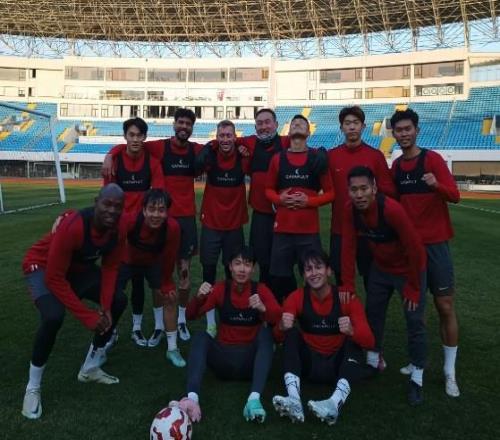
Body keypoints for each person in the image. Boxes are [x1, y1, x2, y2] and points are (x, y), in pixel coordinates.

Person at [21, 184, 127, 420]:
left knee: (118, 299)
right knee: (53, 316)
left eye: (118, 206)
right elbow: (54, 278)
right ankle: (32, 387)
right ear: (96, 202)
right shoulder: (74, 226)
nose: (112, 210)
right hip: (43, 265)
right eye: (107, 204)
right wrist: (88, 316)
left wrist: (105, 307)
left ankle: (90, 367)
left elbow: (110, 267)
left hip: (75, 269)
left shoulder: (119, 229)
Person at [102, 108, 203, 342]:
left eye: (188, 123)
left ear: (192, 127)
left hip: (184, 218)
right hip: (157, 221)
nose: (183, 126)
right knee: (156, 275)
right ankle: (156, 325)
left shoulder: (196, 149)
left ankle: (181, 321)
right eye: (180, 122)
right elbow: (129, 146)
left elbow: (217, 147)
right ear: (174, 124)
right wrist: (110, 154)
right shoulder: (158, 148)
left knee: (183, 272)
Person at [341, 166, 427, 405]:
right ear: (348, 191)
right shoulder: (350, 210)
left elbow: (416, 250)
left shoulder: (391, 210)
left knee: (415, 320)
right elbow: (348, 246)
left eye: (364, 188)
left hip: (408, 270)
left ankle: (417, 377)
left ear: (374, 188)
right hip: (381, 268)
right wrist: (347, 284)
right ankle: (373, 362)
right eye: (354, 190)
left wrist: (414, 286)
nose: (359, 194)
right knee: (373, 314)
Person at [390, 109, 460, 397]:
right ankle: (416, 360)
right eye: (399, 130)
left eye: (408, 129)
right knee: (414, 310)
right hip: (410, 249)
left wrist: (437, 185)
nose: (404, 134)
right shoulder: (396, 166)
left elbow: (455, 195)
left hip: (436, 245)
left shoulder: (432, 160)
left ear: (416, 130)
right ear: (394, 134)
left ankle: (449, 371)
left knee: (444, 306)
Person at [169, 246, 281, 423]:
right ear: (230, 266)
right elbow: (190, 315)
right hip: (223, 361)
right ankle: (192, 399)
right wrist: (199, 298)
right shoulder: (221, 289)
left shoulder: (260, 290)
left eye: (247, 264)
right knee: (200, 337)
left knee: (266, 334)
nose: (242, 269)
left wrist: (263, 308)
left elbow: (279, 319)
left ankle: (254, 399)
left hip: (250, 364)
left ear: (253, 268)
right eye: (237, 263)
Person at [272, 248, 374, 425]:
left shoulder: (345, 298)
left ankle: (334, 404)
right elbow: (277, 337)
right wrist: (281, 326)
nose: (314, 273)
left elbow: (370, 342)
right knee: (292, 334)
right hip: (310, 365)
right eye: (308, 269)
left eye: (318, 267)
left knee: (353, 341)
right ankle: (294, 399)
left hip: (338, 367)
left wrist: (352, 331)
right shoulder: (296, 297)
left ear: (329, 271)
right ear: (304, 276)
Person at [104, 117, 165, 348]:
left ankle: (139, 328)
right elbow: (107, 196)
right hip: (119, 232)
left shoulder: (153, 163)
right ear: (125, 136)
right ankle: (110, 330)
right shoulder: (115, 161)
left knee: (143, 283)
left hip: (143, 231)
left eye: (140, 135)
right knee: (115, 285)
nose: (136, 139)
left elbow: (158, 195)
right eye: (131, 135)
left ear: (145, 137)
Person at [265, 114, 334, 303]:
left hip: (308, 232)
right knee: (280, 278)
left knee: (314, 277)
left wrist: (309, 202)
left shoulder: (317, 158)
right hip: (283, 231)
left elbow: (331, 193)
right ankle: (287, 313)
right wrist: (280, 199)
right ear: (288, 132)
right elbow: (268, 190)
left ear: (309, 132)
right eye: (293, 123)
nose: (297, 124)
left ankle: (312, 313)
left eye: (302, 123)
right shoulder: (277, 159)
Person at [328, 106, 396, 289]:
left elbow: (388, 190)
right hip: (340, 230)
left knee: (372, 280)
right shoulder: (331, 156)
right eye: (347, 123)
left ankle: (371, 309)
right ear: (341, 127)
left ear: (363, 126)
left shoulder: (375, 156)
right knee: (342, 281)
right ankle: (345, 308)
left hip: (369, 231)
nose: (352, 127)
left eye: (356, 123)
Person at [117, 189, 185, 367]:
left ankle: (172, 348)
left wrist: (167, 283)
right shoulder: (130, 220)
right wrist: (67, 215)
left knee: (170, 297)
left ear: (167, 212)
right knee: (112, 295)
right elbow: (102, 222)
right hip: (128, 261)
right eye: (151, 209)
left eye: (161, 210)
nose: (156, 214)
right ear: (143, 210)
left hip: (153, 263)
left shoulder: (172, 228)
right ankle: (108, 336)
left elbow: (169, 257)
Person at [196, 120, 251, 336]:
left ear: (235, 137)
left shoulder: (243, 156)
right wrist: (208, 147)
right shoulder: (209, 156)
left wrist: (243, 147)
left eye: (229, 135)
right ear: (217, 137)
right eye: (222, 135)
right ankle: (210, 321)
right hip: (211, 223)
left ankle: (230, 314)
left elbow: (260, 147)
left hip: (234, 225)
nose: (225, 139)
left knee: (233, 273)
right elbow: (194, 166)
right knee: (208, 272)